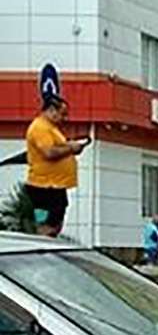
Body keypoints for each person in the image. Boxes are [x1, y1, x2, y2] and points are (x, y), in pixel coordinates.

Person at [23, 92, 89, 239]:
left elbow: (58, 149)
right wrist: (71, 148)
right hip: (44, 186)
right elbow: (49, 153)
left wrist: (71, 147)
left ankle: (49, 238)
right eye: (62, 114)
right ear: (51, 110)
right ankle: (44, 245)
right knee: (46, 224)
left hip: (55, 185)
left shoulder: (51, 128)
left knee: (56, 220)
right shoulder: (40, 128)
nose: (64, 118)